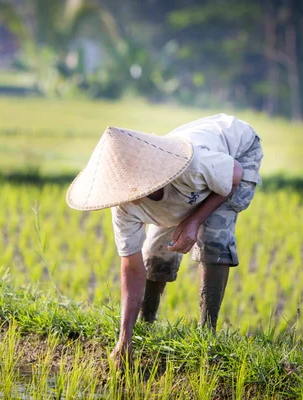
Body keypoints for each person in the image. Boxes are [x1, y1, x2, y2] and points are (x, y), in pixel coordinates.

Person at [66, 114, 263, 365]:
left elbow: (234, 176)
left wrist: (194, 221)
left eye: (129, 185)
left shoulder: (191, 166)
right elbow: (133, 267)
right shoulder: (124, 208)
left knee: (214, 237)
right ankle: (146, 325)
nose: (125, 195)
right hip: (193, 186)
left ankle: (207, 333)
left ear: (146, 173)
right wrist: (125, 335)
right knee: (154, 253)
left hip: (238, 154)